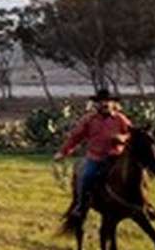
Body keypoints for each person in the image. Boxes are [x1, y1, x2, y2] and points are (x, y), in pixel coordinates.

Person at [55, 89, 133, 222]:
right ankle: (80, 206)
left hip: (116, 157)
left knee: (135, 176)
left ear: (113, 103)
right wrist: (63, 152)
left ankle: (143, 205)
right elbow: (76, 137)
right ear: (96, 104)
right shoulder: (89, 120)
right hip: (96, 157)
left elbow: (133, 133)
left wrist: (123, 138)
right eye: (101, 101)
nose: (105, 104)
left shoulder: (120, 119)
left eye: (107, 101)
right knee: (86, 177)